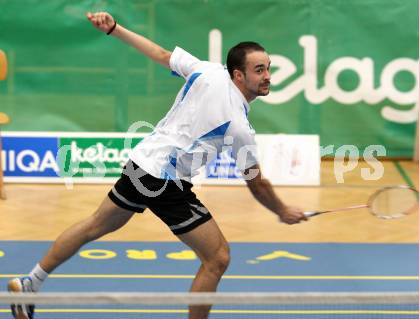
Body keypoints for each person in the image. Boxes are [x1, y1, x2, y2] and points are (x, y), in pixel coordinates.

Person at [7, 11, 307, 319]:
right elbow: (256, 182)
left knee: (95, 224)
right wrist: (282, 211)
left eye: (269, 68)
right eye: (259, 70)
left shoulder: (208, 71)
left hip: (141, 163)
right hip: (166, 181)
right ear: (239, 75)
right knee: (217, 257)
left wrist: (114, 29)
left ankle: (31, 281)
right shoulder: (238, 125)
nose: (268, 75)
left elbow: (160, 54)